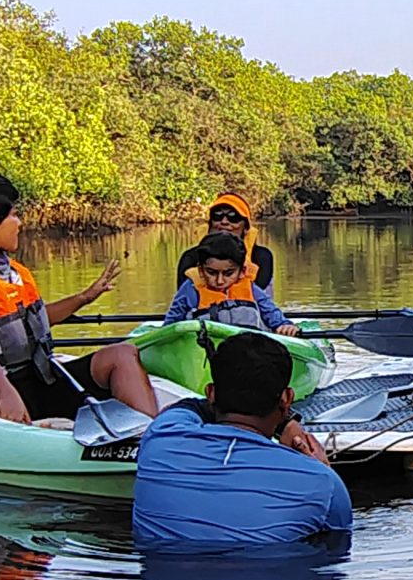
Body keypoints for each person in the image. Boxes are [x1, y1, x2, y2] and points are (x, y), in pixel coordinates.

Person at [0, 173, 162, 425]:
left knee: (122, 354)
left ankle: (150, 434)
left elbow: (29, 324)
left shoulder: (11, 272)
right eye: (14, 215)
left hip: (39, 379)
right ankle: (21, 433)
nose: (20, 223)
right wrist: (8, 394)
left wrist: (84, 297)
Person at [132, 332, 352, 549]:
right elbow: (335, 550)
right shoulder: (322, 480)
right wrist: (290, 426)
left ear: (211, 393)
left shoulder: (159, 438)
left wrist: (286, 421)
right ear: (287, 399)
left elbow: (184, 407)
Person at [163, 232, 302, 335]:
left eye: (228, 273)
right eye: (211, 272)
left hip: (247, 349)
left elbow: (272, 314)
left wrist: (284, 326)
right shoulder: (190, 289)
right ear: (200, 270)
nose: (219, 280)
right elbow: (170, 325)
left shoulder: (251, 289)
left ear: (242, 271)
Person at [174, 193, 278, 296]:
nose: (224, 222)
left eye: (233, 218)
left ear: (246, 228)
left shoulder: (261, 257)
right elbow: (183, 298)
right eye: (217, 216)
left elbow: (259, 295)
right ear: (210, 225)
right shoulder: (190, 258)